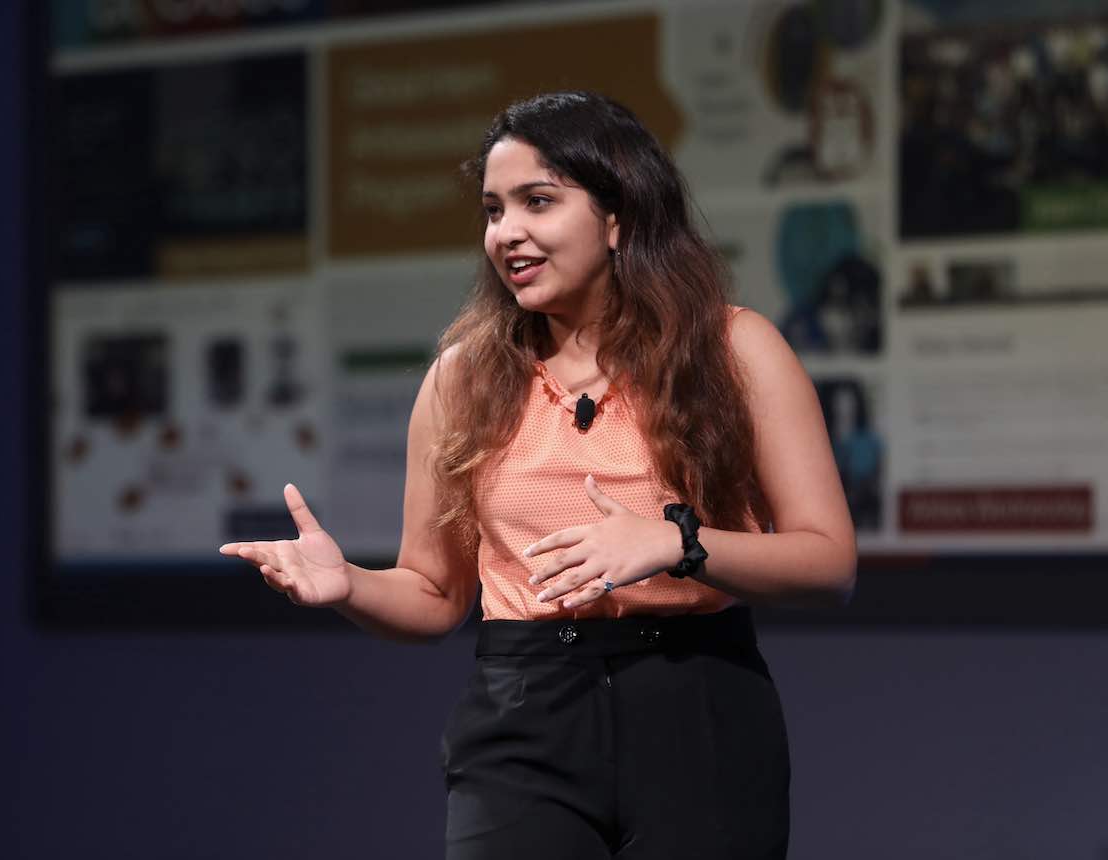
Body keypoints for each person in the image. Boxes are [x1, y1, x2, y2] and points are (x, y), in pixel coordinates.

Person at [219, 91, 855, 860]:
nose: (507, 233)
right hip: (525, 713)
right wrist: (349, 584)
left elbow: (828, 561)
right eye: (493, 210)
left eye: (538, 202)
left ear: (617, 216)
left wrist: (674, 543)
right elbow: (434, 593)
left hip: (699, 703)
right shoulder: (463, 380)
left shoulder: (735, 350)